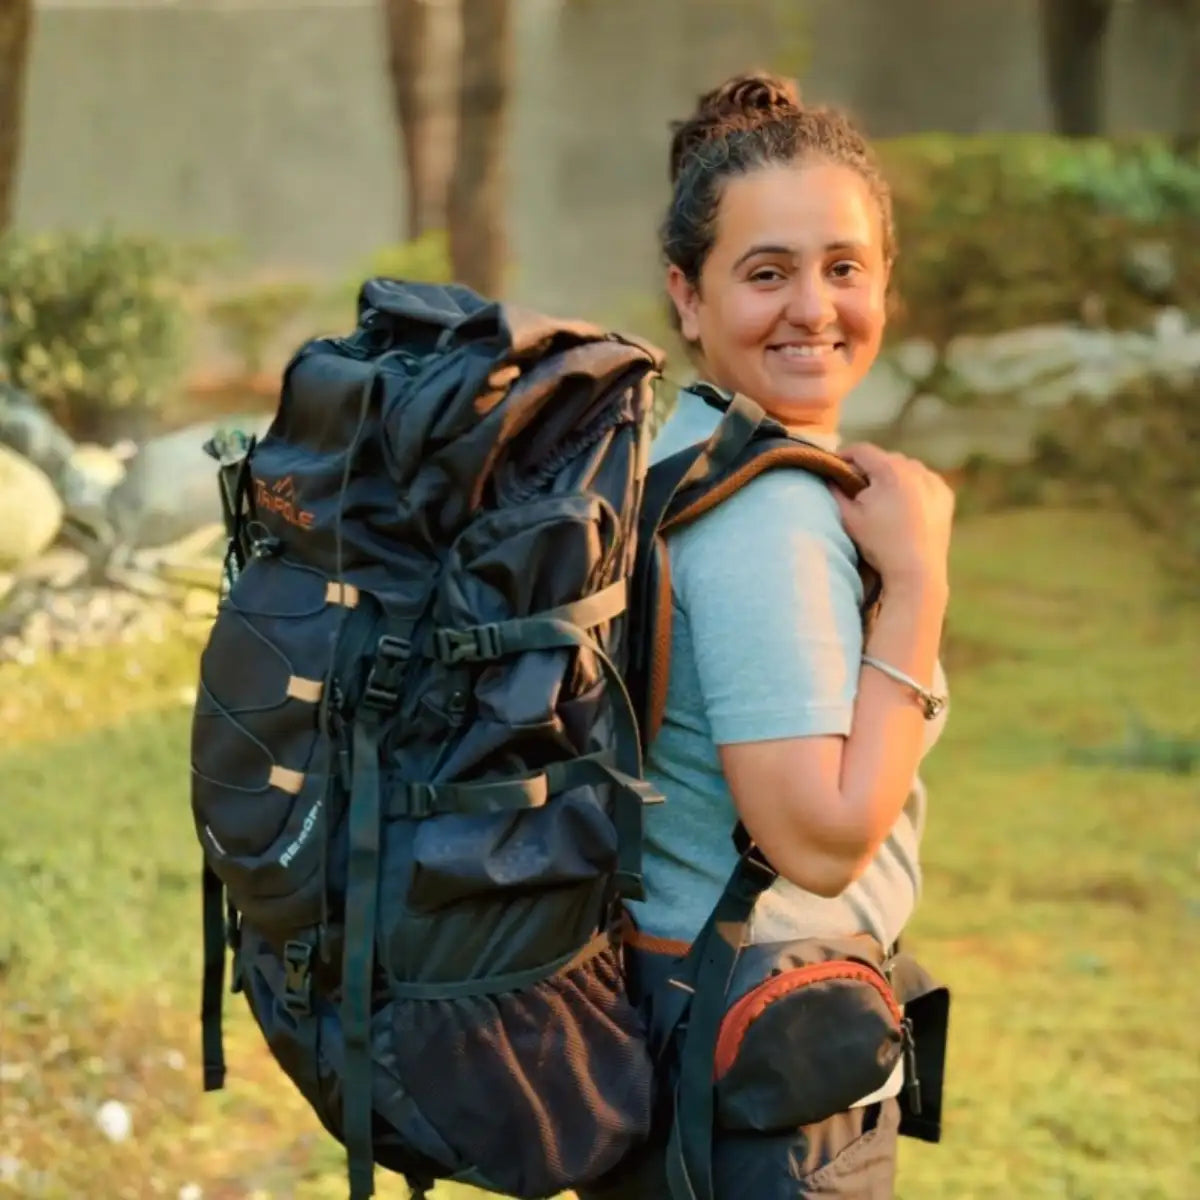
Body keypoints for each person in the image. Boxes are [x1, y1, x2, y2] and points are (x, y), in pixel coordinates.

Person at [579, 73, 955, 1198]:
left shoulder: (681, 451)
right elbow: (820, 839)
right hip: (756, 1093)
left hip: (672, 1041)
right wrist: (922, 579)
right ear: (687, 299)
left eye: (843, 266)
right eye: (766, 272)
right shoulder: (766, 511)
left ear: (886, 278)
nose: (813, 307)